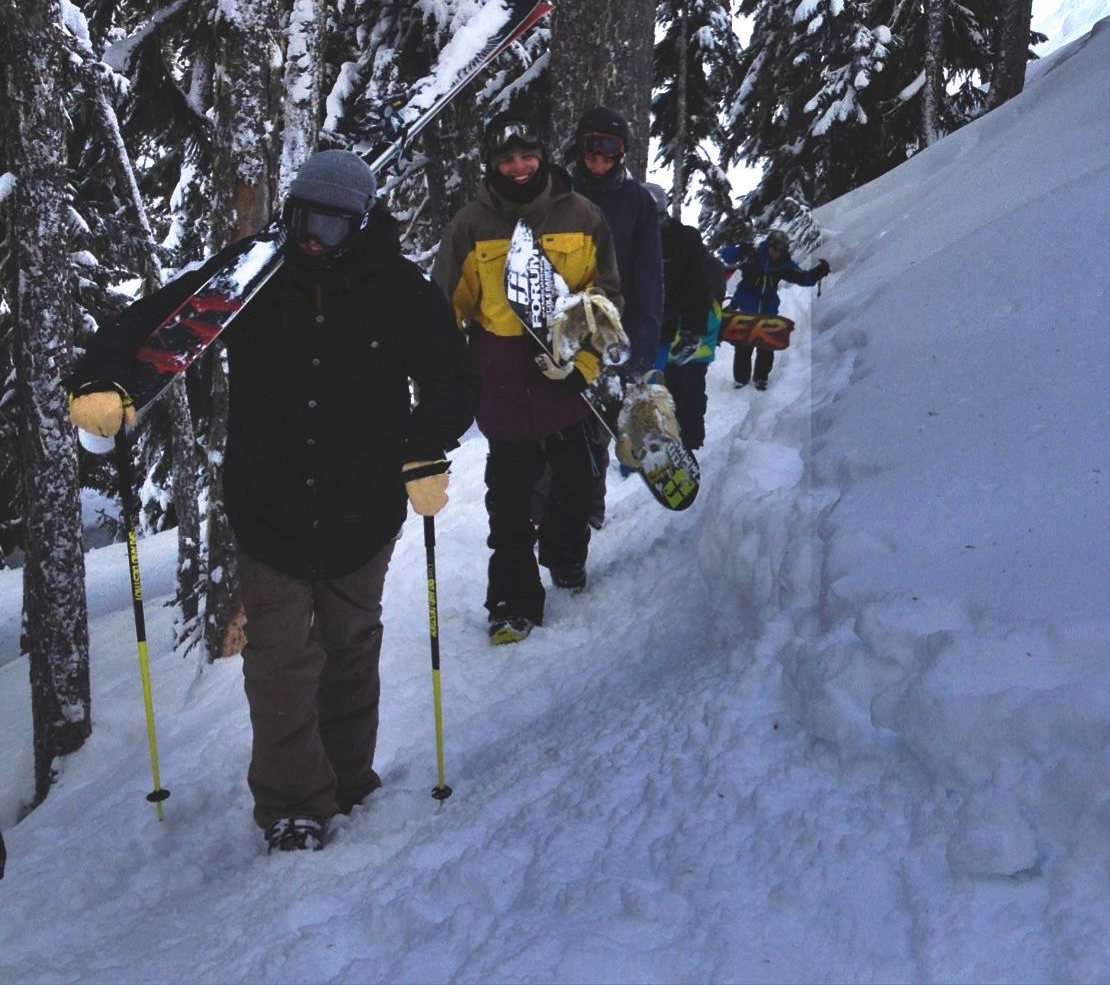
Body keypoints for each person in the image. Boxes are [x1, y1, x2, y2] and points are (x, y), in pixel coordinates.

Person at [68, 149, 477, 853]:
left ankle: (346, 776)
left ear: (361, 221)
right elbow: (158, 320)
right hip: (269, 508)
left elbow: (452, 379)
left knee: (350, 647)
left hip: (363, 506)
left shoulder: (399, 289)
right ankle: (293, 803)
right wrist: (105, 379)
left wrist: (425, 446)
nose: (314, 237)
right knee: (279, 659)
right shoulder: (250, 276)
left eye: (332, 224)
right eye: (303, 219)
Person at [433, 111, 623, 642]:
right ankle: (512, 602)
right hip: (503, 381)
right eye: (505, 158)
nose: (518, 166)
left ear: (543, 155)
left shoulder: (583, 215)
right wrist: (446, 385)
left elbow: (606, 295)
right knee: (510, 501)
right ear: (491, 164)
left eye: (527, 155)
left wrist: (583, 363)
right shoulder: (469, 224)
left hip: (565, 376)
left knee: (577, 482)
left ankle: (564, 555)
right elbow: (444, 308)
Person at [568, 104, 665, 510]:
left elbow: (647, 280)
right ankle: (545, 519)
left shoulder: (637, 203)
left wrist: (639, 350)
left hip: (612, 337)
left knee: (593, 435)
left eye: (609, 148)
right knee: (554, 435)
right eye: (592, 146)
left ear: (622, 150)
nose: (599, 157)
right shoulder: (559, 193)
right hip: (563, 333)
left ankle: (585, 513)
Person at [648, 185, 729, 452]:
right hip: (666, 333)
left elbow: (700, 291)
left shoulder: (685, 242)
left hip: (696, 331)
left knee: (691, 390)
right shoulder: (642, 240)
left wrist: (696, 331)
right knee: (668, 389)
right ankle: (672, 439)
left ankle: (691, 443)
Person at [718, 229, 829, 391]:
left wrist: (818, 272)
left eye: (780, 250)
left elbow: (803, 278)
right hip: (745, 303)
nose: (776, 253)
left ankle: (761, 378)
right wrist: (741, 249)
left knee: (766, 343)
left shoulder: (785, 265)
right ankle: (741, 380)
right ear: (768, 245)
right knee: (744, 343)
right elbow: (726, 255)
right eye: (774, 248)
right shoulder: (753, 256)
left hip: (768, 307)